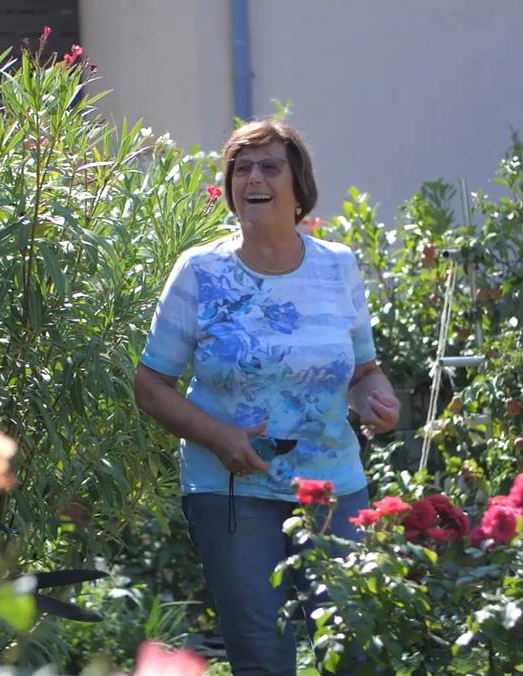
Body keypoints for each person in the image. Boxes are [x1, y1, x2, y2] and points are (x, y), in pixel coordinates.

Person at [134, 119, 400, 675]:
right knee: (261, 651)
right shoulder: (199, 272)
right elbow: (152, 385)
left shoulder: (338, 266)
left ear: (298, 184)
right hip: (231, 488)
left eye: (269, 166)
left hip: (332, 485)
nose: (253, 177)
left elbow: (363, 371)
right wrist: (219, 436)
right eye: (241, 168)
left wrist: (378, 401)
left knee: (354, 639)